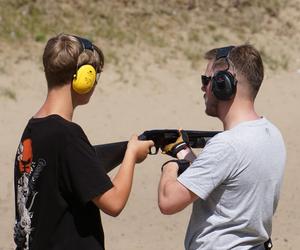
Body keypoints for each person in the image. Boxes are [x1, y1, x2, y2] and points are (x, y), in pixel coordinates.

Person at [13, 33, 154, 250]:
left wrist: (124, 149)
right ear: (83, 77)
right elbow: (114, 203)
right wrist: (131, 155)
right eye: (94, 75)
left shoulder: (34, 128)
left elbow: (69, 172)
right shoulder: (67, 135)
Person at [157, 44, 286, 249]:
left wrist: (170, 167)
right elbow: (223, 177)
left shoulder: (227, 145)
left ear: (223, 84)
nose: (203, 88)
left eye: (206, 80)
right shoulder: (271, 133)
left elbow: (168, 201)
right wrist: (184, 153)